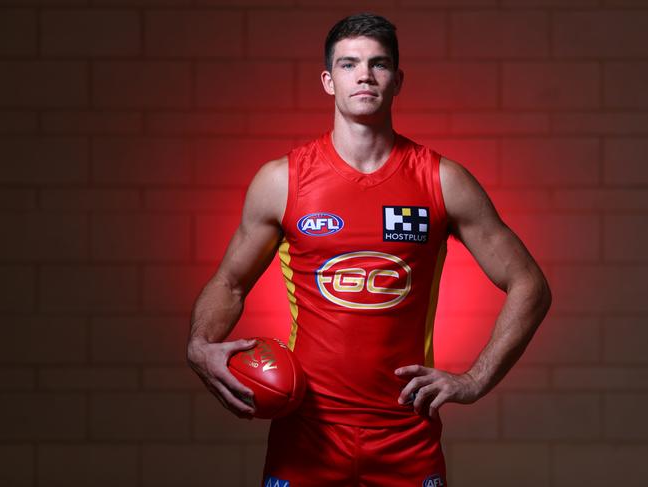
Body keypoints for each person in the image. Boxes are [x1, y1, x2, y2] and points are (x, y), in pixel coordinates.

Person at [187, 12, 552, 487]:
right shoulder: (282, 181)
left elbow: (530, 284)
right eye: (348, 64)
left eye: (378, 64)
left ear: (397, 80)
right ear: (328, 80)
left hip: (405, 435)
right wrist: (200, 345)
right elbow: (230, 283)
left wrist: (475, 379)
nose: (364, 74)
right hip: (306, 435)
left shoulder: (442, 180)